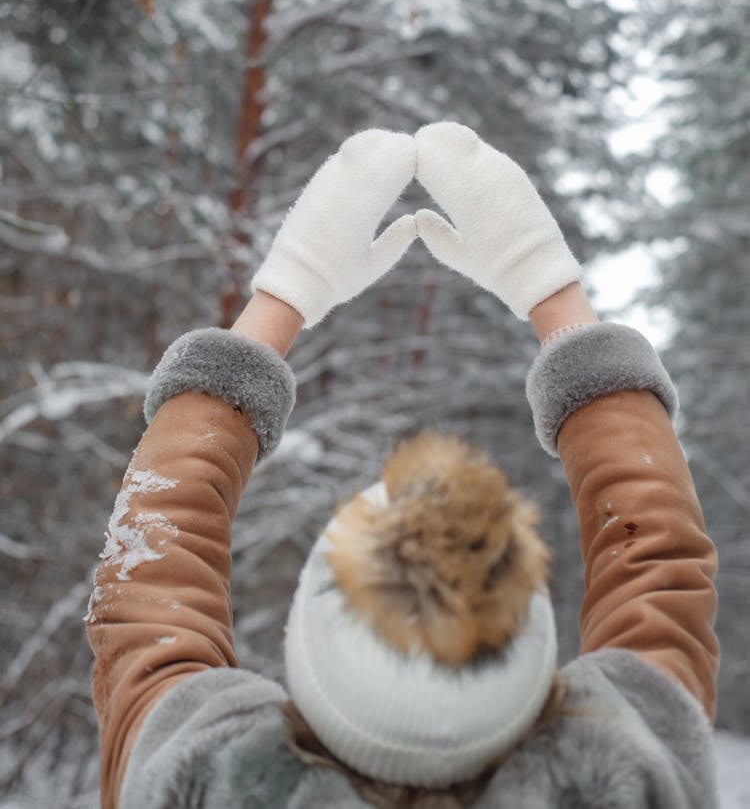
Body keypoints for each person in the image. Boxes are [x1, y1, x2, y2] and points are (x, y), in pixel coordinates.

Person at [85, 123, 720, 809]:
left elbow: (148, 569)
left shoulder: (199, 781)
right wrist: (550, 288)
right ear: (540, 684)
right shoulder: (636, 776)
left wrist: (282, 298)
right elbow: (661, 564)